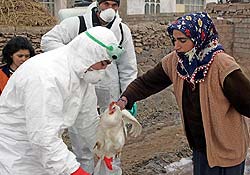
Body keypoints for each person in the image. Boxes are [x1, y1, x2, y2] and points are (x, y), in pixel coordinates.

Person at [116, 12, 250, 175]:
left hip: (227, 149)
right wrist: (125, 99)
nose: (176, 46)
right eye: (174, 40)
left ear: (199, 37)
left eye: (182, 40)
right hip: (200, 147)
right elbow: (147, 82)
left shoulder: (222, 65)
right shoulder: (177, 61)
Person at [0, 26, 122, 175]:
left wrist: (101, 148)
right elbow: (43, 137)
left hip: (43, 149)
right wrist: (74, 171)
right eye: (103, 63)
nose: (103, 70)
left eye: (108, 65)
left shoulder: (83, 72)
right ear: (90, 55)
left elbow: (87, 120)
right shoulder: (46, 76)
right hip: (16, 152)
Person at [41, 0, 138, 172]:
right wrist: (73, 55)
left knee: (111, 145)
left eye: (114, 5)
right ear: (98, 3)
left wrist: (128, 96)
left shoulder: (122, 31)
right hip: (81, 89)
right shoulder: (76, 24)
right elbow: (48, 40)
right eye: (106, 3)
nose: (110, 9)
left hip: (109, 94)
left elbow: (127, 67)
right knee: (82, 146)